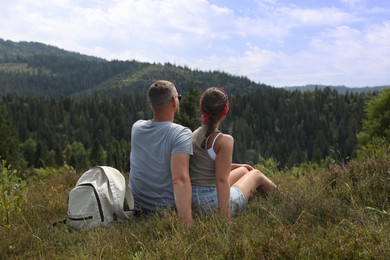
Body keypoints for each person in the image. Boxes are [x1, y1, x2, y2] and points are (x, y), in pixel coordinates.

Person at [190, 87, 276, 219]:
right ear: (225, 112)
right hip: (211, 204)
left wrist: (239, 166)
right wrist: (225, 218)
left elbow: (209, 167)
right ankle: (285, 201)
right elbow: (222, 180)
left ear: (202, 109)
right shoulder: (224, 140)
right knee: (256, 174)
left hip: (193, 199)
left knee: (244, 170)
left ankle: (262, 201)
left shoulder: (194, 134)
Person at [129, 80, 193, 225]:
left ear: (151, 104)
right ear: (173, 101)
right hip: (164, 210)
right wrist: (187, 223)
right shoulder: (180, 133)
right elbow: (180, 179)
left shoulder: (136, 128)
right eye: (179, 97)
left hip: (136, 206)